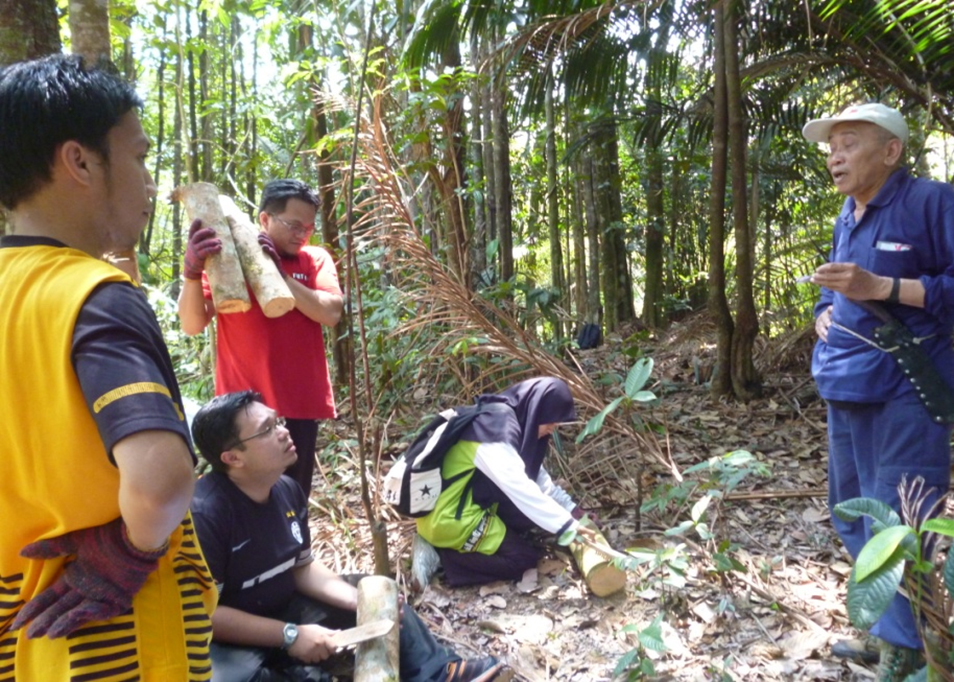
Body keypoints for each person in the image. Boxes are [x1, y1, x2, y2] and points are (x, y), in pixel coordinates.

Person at [0, 55, 216, 680]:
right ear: (82, 162)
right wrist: (124, 554)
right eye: (140, 156)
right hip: (114, 637)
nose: (149, 180)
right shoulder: (95, 293)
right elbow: (160, 481)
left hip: (19, 632)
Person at [189, 391, 512, 682]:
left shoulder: (286, 490)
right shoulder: (206, 515)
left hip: (283, 606)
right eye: (268, 429)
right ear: (233, 458)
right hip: (225, 639)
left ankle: (439, 673)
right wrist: (289, 635)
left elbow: (300, 567)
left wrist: (361, 602)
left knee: (374, 590)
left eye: (278, 422)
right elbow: (206, 614)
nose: (284, 431)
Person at [802, 103, 954, 680]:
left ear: (890, 151)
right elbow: (841, 284)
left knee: (901, 517)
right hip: (846, 382)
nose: (835, 156)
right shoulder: (848, 211)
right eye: (831, 146)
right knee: (856, 512)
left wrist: (885, 286)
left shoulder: (931, 202)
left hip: (907, 388)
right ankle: (886, 626)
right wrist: (822, 312)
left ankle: (908, 648)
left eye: (849, 143)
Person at [178, 179, 343, 496]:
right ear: (265, 219)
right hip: (239, 410)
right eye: (294, 225)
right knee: (237, 501)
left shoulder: (314, 259)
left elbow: (331, 313)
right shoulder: (229, 261)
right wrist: (191, 272)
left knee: (294, 497)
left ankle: (297, 549)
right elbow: (191, 324)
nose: (301, 235)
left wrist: (280, 274)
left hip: (298, 405)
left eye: (308, 228)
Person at [416, 377, 597, 586]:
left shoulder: (507, 418)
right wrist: (567, 526)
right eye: (550, 421)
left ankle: (457, 546)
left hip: (462, 505)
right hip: (448, 518)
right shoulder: (494, 431)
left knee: (528, 523)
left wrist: (572, 510)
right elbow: (520, 487)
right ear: (536, 411)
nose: (553, 429)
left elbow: (537, 478)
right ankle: (444, 557)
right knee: (523, 560)